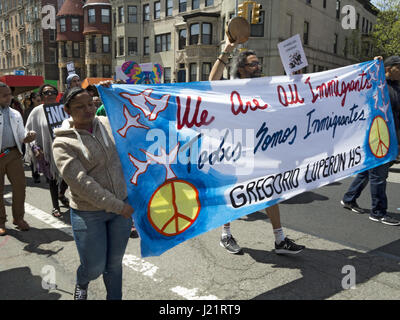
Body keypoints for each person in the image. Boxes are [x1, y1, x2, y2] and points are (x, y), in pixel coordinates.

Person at [208, 39, 305, 255]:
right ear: (241, 68)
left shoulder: (265, 87)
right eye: (252, 64)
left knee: (270, 191)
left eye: (258, 63)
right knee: (233, 193)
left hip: (261, 150)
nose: (257, 67)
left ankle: (280, 240)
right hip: (235, 150)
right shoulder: (230, 87)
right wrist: (228, 49)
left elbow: (293, 93)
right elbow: (212, 79)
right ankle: (226, 234)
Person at [52, 87, 134, 300]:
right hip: (89, 213)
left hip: (121, 208)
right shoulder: (62, 143)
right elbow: (81, 183)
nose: (88, 109)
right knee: (94, 266)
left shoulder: (107, 124)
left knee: (114, 264)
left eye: (90, 104)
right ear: (67, 110)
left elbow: (134, 119)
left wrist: (116, 90)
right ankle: (82, 281)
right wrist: (119, 206)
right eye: (80, 106)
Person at [341, 56, 400, 226]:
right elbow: (362, 84)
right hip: (377, 137)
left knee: (368, 172)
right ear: (389, 68)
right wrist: (375, 64)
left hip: (391, 139)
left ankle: (349, 198)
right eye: (399, 67)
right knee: (379, 177)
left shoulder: (397, 88)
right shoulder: (377, 85)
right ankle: (378, 212)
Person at [25, 84, 69, 217]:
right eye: (45, 93)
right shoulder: (36, 111)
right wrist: (35, 148)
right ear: (41, 96)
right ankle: (56, 207)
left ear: (56, 94)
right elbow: (29, 131)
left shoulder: (64, 108)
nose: (49, 94)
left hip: (66, 149)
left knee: (69, 177)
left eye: (52, 92)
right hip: (47, 151)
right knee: (52, 179)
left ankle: (62, 194)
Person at [0, 82, 36, 236]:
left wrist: (28, 138)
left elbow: (21, 136)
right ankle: (1, 221)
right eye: (5, 95)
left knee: (20, 186)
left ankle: (18, 218)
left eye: (10, 94)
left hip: (13, 154)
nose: (9, 97)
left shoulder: (15, 113)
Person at [23, 92, 42, 183]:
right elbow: (25, 125)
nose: (38, 98)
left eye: (39, 96)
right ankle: (35, 174)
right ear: (33, 100)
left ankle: (47, 174)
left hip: (42, 135)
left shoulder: (43, 108)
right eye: (36, 97)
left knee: (43, 155)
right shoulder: (28, 111)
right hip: (32, 136)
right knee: (33, 156)